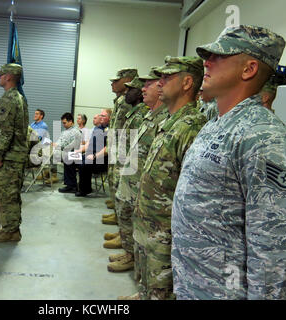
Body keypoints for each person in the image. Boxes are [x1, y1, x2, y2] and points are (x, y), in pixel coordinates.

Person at [171, 25, 286, 300]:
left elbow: (278, 245)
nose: (206, 62)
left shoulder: (265, 137)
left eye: (219, 56)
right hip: (194, 282)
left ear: (249, 69)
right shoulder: (218, 123)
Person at [131, 56, 207, 300]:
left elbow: (193, 195)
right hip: (150, 226)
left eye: (166, 77)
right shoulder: (170, 122)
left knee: (161, 293)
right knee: (147, 286)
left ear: (187, 83)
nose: (159, 83)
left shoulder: (192, 126)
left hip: (166, 233)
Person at [109, 67, 169, 268]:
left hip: (142, 183)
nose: (141, 90)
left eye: (147, 85)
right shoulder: (147, 116)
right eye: (140, 86)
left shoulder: (160, 118)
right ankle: (129, 252)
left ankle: (132, 256)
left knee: (139, 225)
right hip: (130, 174)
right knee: (127, 215)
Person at [106, 76, 149, 267]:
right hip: (124, 161)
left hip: (133, 168)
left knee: (128, 209)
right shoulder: (135, 111)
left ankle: (129, 252)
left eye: (131, 89)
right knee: (122, 204)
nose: (127, 92)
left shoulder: (141, 114)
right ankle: (126, 245)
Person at [0, 63, 29, 243]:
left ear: (8, 77)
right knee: (11, 194)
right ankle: (11, 228)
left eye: (1, 75)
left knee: (6, 194)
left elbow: (5, 131)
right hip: (16, 155)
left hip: (10, 156)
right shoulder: (19, 98)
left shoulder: (8, 99)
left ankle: (10, 230)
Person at [106, 68, 138, 211]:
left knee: (120, 181)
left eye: (116, 81)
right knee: (113, 179)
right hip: (115, 146)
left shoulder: (130, 100)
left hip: (123, 148)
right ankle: (115, 210)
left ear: (127, 80)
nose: (113, 84)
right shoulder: (121, 99)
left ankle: (119, 217)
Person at [75, 109, 111, 197]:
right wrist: (78, 151)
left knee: (84, 164)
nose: (101, 117)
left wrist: (94, 156)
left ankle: (85, 190)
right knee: (70, 157)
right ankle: (71, 185)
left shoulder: (110, 129)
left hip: (101, 159)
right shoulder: (97, 128)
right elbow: (89, 144)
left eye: (103, 116)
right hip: (90, 155)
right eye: (100, 115)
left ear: (110, 118)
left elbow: (108, 148)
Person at [51, 112, 82, 193]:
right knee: (51, 153)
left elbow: (69, 145)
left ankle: (71, 185)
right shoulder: (65, 131)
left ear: (70, 122)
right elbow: (60, 142)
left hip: (76, 154)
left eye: (64, 123)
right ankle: (51, 175)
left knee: (66, 157)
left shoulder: (76, 132)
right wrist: (54, 145)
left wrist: (57, 146)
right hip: (67, 152)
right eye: (63, 123)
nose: (63, 125)